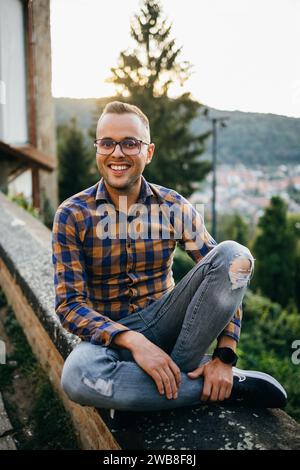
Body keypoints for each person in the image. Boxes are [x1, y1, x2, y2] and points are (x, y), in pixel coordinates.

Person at [52, 101, 287, 415]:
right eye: (107, 143)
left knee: (235, 254)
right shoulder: (72, 214)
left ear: (148, 152)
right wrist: (132, 340)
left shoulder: (174, 206)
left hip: (170, 326)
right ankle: (221, 389)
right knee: (77, 377)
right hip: (109, 338)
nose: (117, 153)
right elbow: (69, 305)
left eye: (130, 143)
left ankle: (168, 383)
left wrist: (224, 357)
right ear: (98, 150)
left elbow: (228, 273)